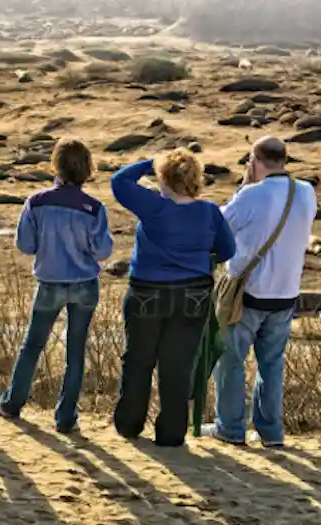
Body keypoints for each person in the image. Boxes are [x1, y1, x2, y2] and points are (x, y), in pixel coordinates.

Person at [110, 148, 236, 447]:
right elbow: (228, 250)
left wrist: (150, 162)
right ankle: (171, 432)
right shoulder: (209, 212)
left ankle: (129, 423)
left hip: (147, 291)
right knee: (178, 365)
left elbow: (119, 181)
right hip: (193, 293)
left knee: (138, 359)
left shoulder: (153, 206)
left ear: (164, 178)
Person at [0, 138, 113, 433]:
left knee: (32, 345)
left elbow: (25, 245)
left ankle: (12, 403)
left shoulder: (37, 202)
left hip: (49, 283)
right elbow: (103, 251)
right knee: (76, 350)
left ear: (56, 165)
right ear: (87, 169)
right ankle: (66, 417)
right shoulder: (93, 208)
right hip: (84, 283)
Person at [203, 137, 316, 448]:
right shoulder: (306, 191)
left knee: (230, 359)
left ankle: (230, 427)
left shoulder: (252, 194)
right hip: (286, 293)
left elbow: (221, 227)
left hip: (248, 293)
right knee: (272, 364)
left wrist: (244, 185)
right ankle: (270, 432)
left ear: (254, 161)